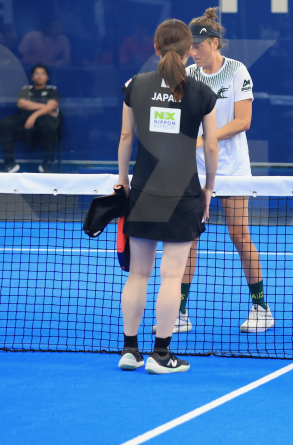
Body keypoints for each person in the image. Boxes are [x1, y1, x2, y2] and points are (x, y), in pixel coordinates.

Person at [154, 7, 273, 335]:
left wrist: (205, 138)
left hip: (232, 169)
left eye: (198, 46)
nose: (192, 52)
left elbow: (243, 121)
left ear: (214, 43)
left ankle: (261, 307)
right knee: (188, 240)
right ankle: (179, 312)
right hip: (193, 171)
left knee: (239, 235)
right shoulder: (187, 75)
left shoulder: (237, 71)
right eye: (189, 47)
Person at [117, 19, 218, 374]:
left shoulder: (134, 86)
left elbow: (126, 137)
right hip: (183, 194)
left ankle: (130, 351)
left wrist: (123, 182)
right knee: (171, 277)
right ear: (189, 50)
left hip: (144, 192)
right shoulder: (202, 92)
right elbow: (211, 147)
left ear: (155, 48)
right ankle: (161, 355)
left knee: (138, 274)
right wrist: (208, 189)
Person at [0, 64, 60, 173]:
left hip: (44, 122)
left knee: (51, 126)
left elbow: (52, 106)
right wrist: (45, 107)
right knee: (5, 123)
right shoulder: (26, 90)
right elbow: (21, 103)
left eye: (42, 73)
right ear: (32, 77)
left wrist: (34, 115)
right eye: (36, 73)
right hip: (24, 120)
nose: (39, 76)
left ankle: (46, 165)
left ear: (47, 77)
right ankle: (10, 163)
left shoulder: (52, 90)